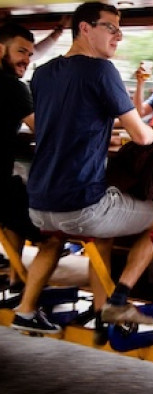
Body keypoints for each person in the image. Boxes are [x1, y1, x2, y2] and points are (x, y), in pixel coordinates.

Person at [11, 1, 153, 334]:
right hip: (80, 205)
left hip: (39, 204)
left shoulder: (42, 74)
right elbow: (141, 136)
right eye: (111, 28)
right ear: (85, 28)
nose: (118, 36)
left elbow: (61, 123)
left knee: (102, 233)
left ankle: (60, 309)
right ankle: (117, 301)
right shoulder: (101, 71)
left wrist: (103, 133)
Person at [0, 23, 41, 292]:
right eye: (21, 51)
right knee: (52, 227)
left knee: (15, 204)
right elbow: (42, 128)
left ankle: (17, 277)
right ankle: (30, 298)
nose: (26, 59)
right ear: (1, 49)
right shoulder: (13, 86)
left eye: (30, 54)